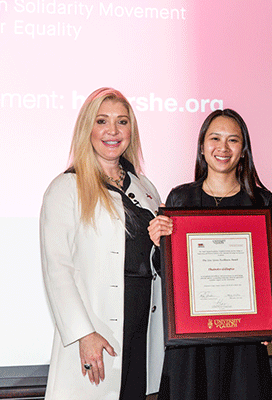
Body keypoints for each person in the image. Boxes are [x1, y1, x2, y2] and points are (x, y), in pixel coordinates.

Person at [149, 108, 272, 400]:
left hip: (244, 340)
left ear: (244, 150)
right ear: (202, 146)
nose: (223, 148)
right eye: (215, 138)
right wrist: (159, 243)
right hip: (191, 342)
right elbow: (168, 272)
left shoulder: (262, 201)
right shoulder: (180, 199)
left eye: (233, 140)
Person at [40, 87, 164, 400]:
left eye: (122, 122)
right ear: (88, 129)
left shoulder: (147, 188)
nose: (112, 131)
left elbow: (159, 261)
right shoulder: (65, 188)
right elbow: (57, 268)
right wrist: (83, 333)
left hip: (142, 328)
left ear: (131, 131)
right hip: (97, 331)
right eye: (102, 121)